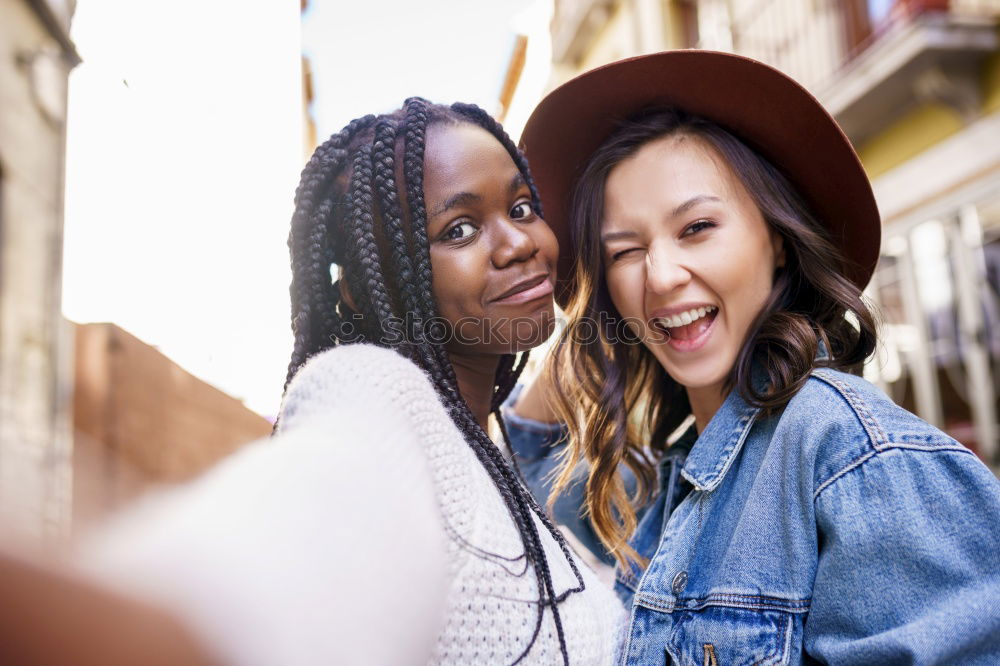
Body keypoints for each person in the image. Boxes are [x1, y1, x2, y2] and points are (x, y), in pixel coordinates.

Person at [0, 98, 624, 665]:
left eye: (521, 207)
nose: (518, 242)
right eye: (457, 229)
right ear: (362, 290)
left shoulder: (485, 449)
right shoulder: (374, 395)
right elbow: (287, 546)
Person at [506, 51, 1000, 664]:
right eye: (624, 251)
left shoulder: (855, 458)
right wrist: (597, 322)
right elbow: (528, 462)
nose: (659, 275)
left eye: (696, 228)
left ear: (779, 241)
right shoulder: (679, 479)